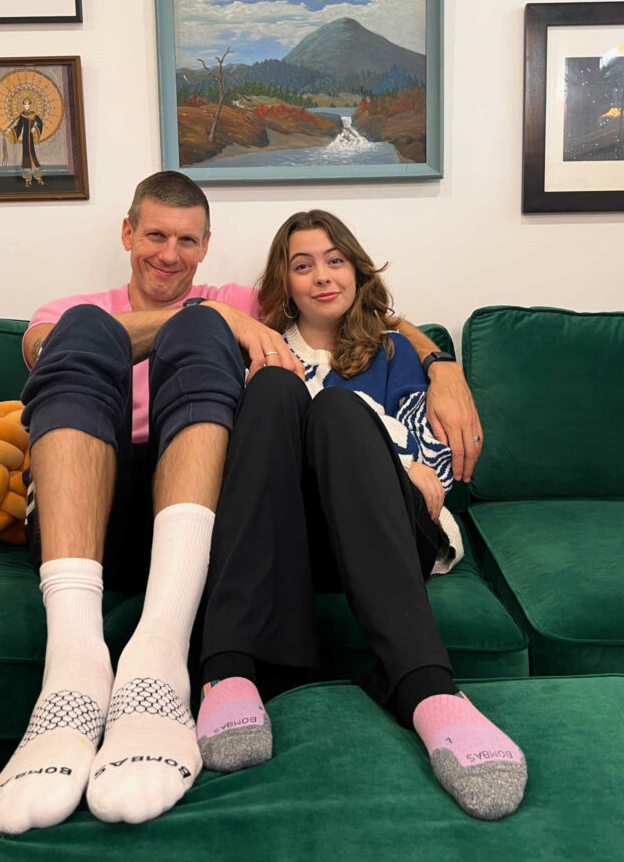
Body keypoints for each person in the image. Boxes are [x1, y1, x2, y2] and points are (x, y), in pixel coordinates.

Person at [0, 172, 483, 834]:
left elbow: (353, 305)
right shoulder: (81, 306)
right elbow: (43, 353)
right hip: (96, 488)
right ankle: (71, 674)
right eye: (154, 235)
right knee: (94, 329)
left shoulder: (243, 302)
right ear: (127, 233)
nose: (169, 253)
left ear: (206, 245)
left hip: (198, 488)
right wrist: (200, 317)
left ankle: (165, 657)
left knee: (274, 382)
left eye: (186, 240)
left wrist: (442, 363)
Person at [195, 210, 526, 821]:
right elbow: (256, 464)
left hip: (389, 528)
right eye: (302, 265)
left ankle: (429, 690)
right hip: (300, 537)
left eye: (334, 260)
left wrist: (404, 420)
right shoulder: (265, 349)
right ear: (284, 282)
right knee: (272, 390)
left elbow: (436, 476)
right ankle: (230, 670)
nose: (322, 276)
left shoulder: (397, 351)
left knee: (341, 413)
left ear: (354, 267)